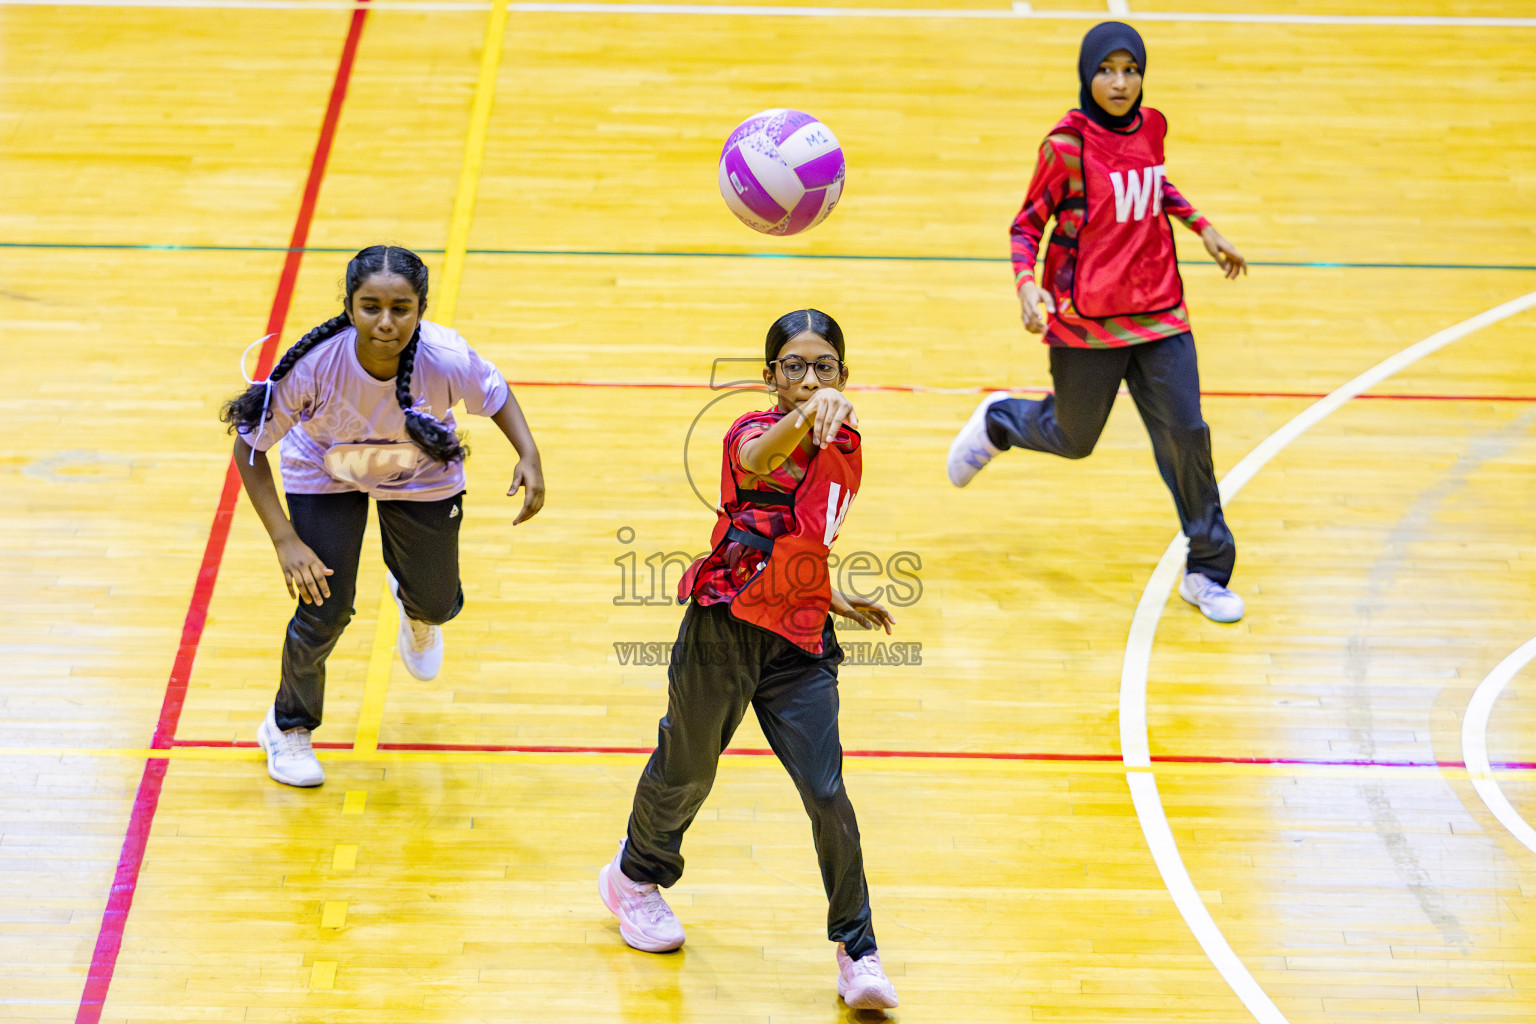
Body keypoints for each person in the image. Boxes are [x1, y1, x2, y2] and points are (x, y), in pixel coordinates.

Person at [598, 309, 900, 1011]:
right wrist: (805, 413)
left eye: (824, 366)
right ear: (770, 378)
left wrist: (828, 595)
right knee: (689, 766)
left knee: (827, 791)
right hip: (724, 621)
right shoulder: (750, 431)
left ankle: (858, 951)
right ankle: (634, 878)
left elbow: (797, 535)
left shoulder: (847, 444)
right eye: (793, 366)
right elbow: (762, 463)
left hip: (797, 634)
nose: (809, 377)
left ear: (844, 376)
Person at [947, 21, 1249, 623]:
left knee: (1186, 434)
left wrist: (1204, 228)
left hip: (1161, 309)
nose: (1120, 82)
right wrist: (1027, 287)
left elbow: (1156, 184)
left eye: (1131, 69)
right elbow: (1026, 224)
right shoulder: (1065, 146)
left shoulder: (1153, 125)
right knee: (1073, 438)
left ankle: (1207, 569)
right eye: (1107, 70)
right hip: (1085, 322)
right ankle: (1002, 419)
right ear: (1088, 75)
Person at [220, 244, 544, 788]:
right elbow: (249, 449)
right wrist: (284, 541)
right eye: (371, 307)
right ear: (349, 306)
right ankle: (286, 726)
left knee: (438, 603)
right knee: (324, 609)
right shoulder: (313, 365)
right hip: (326, 470)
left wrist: (528, 454)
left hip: (420, 471)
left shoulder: (445, 356)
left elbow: (495, 392)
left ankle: (414, 607)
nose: (386, 322)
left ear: (421, 308)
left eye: (401, 308)